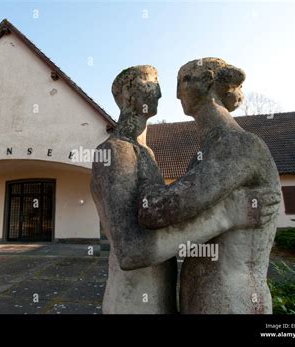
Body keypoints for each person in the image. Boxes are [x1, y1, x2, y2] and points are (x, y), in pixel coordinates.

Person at [91, 64, 279, 314]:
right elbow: (131, 252)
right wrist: (226, 215)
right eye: (151, 83)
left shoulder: (147, 154)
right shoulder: (116, 151)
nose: (161, 93)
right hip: (133, 303)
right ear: (127, 92)